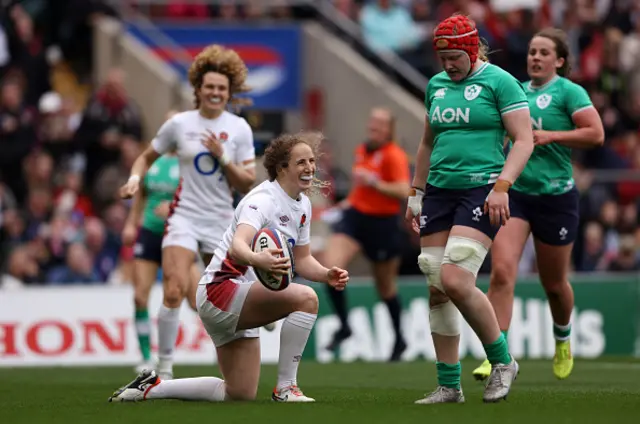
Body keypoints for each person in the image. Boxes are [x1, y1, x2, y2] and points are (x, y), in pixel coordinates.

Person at [109, 131, 349, 403]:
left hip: (239, 297)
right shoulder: (262, 200)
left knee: (238, 392)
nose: (310, 168)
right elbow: (238, 245)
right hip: (220, 292)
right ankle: (285, 388)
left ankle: (153, 387)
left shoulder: (302, 204)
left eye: (311, 161)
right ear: (282, 168)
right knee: (306, 299)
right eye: (301, 162)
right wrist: (259, 259)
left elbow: (303, 260)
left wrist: (326, 274)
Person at [405, 14, 534, 404]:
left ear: (474, 48)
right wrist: (416, 192)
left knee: (457, 278)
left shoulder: (500, 82)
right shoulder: (437, 86)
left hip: (482, 188)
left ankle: (502, 361)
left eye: (455, 56)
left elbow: (524, 140)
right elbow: (427, 143)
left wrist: (501, 187)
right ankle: (449, 385)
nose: (448, 64)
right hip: (439, 191)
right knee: (435, 284)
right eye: (443, 57)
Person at [472, 28, 605, 382]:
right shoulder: (514, 90)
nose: (535, 57)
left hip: (556, 197)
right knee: (501, 272)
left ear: (559, 60)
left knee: (554, 283)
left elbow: (596, 133)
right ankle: (496, 354)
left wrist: (552, 136)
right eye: (532, 51)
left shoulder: (569, 91)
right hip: (516, 194)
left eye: (544, 52)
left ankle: (562, 337)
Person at [120, 45, 258, 380]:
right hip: (183, 217)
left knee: (230, 294)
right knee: (173, 288)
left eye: (221, 88)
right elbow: (145, 157)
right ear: (198, 88)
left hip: (221, 221)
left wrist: (223, 157)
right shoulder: (180, 125)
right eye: (209, 87)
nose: (215, 92)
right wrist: (135, 179)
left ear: (229, 92)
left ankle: (256, 320)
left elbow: (247, 182)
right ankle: (164, 369)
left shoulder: (239, 128)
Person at [321, 107, 410, 361]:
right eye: (372, 122)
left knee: (385, 287)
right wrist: (346, 204)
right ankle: (344, 324)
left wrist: (376, 183)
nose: (374, 127)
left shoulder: (394, 155)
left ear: (389, 129)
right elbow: (359, 191)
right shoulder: (362, 150)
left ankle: (399, 339)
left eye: (380, 124)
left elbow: (404, 190)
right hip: (355, 219)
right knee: (331, 267)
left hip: (382, 224)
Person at [121, 111, 200, 372]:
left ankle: (244, 323)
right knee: (139, 296)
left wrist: (175, 208)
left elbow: (202, 199)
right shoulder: (152, 160)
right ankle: (146, 358)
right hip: (150, 232)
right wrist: (132, 223)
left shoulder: (192, 162)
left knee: (197, 302)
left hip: (179, 235)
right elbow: (141, 196)